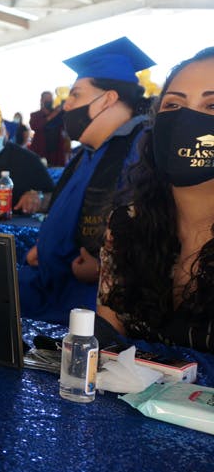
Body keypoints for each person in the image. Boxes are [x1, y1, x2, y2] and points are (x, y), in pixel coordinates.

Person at [19, 37, 154, 323]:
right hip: (51, 284)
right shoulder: (87, 153)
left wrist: (107, 267)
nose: (66, 106)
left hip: (91, 302)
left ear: (108, 99)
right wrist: (43, 249)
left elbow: (153, 225)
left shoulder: (143, 148)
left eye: (76, 95)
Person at [98, 47, 214, 351]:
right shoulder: (127, 225)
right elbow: (105, 340)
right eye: (173, 105)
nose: (186, 119)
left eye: (212, 105)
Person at [0, 111, 55, 213]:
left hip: (17, 224)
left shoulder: (28, 160)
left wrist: (39, 198)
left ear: (7, 134)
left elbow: (54, 197)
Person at [29, 90, 70, 167]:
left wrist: (63, 107)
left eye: (50, 99)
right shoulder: (35, 115)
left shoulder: (59, 114)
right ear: (41, 100)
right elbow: (34, 126)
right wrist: (53, 114)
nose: (49, 101)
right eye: (47, 99)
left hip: (57, 153)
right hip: (40, 151)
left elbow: (68, 123)